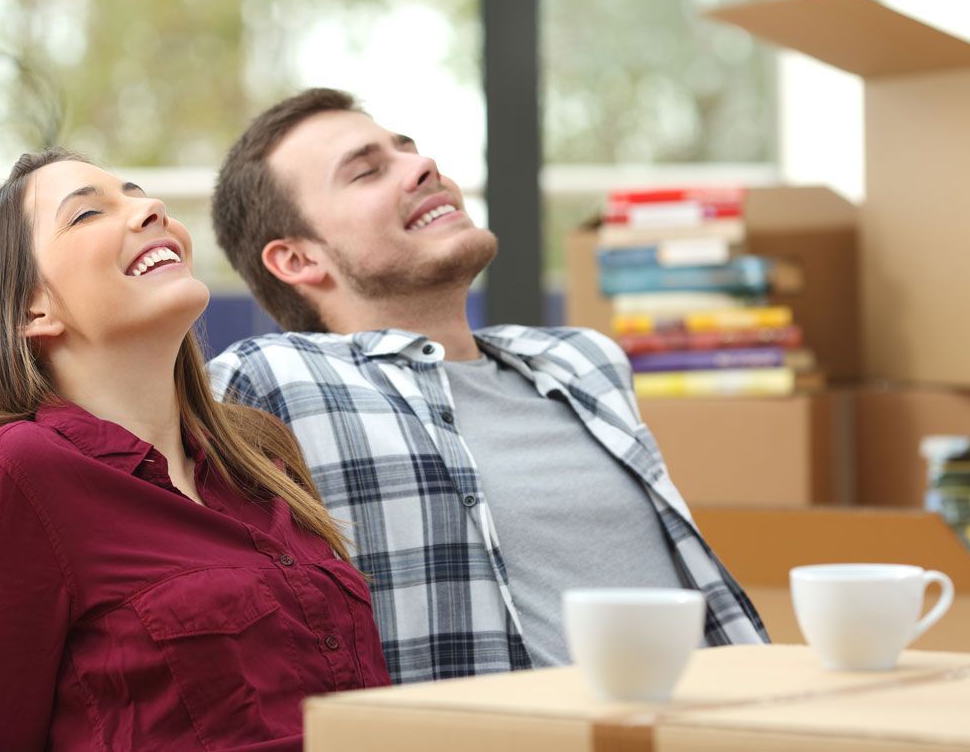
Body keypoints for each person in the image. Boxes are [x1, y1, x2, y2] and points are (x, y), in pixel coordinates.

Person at [206, 88, 768, 684]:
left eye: (409, 150)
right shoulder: (273, 380)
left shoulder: (580, 361)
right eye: (368, 171)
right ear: (297, 260)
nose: (424, 167)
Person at [0, 148, 389, 751]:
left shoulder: (262, 459)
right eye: (87, 215)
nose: (150, 209)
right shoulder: (12, 477)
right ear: (31, 309)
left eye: (139, 193)